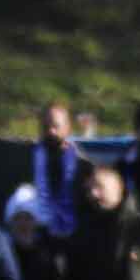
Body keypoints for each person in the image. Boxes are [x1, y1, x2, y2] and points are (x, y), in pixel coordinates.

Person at [23, 100, 84, 241]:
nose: (51, 131)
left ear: (68, 128)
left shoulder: (82, 163)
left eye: (56, 126)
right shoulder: (27, 158)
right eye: (46, 127)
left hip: (75, 232)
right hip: (38, 232)